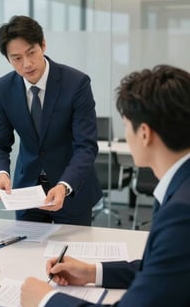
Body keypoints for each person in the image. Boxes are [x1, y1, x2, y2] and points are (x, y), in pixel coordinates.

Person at [21, 64, 190, 307]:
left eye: (125, 125)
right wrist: (93, 272)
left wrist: (46, 300)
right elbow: (162, 270)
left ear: (144, 133)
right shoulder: (179, 188)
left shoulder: (181, 212)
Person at [0, 15, 102, 225]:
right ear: (8, 59)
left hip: (70, 189)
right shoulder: (4, 88)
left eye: (31, 52)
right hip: (26, 193)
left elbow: (86, 146)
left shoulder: (76, 83)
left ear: (43, 45)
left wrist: (64, 185)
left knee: (70, 255)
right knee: (26, 254)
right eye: (17, 58)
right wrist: (1, 174)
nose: (27, 64)